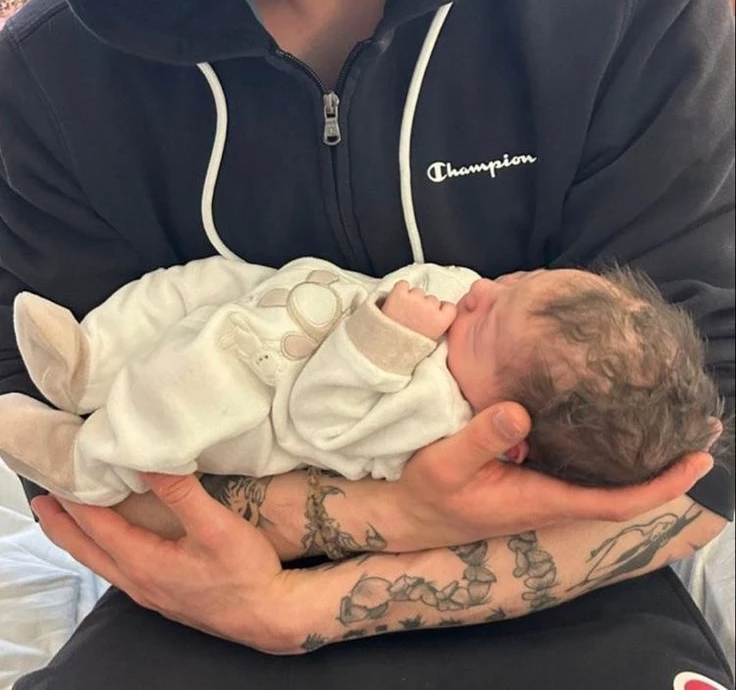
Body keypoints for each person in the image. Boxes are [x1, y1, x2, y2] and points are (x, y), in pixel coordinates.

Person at [0, 0, 732, 687]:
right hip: (199, 606)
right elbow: (60, 440)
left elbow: (709, 443)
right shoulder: (53, 76)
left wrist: (315, 605)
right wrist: (390, 514)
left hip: (575, 603)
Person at [0, 258, 722, 506]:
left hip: (259, 402)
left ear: (506, 432)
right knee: (192, 285)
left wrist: (384, 339)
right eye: (516, 281)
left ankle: (90, 464)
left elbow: (319, 421)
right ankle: (91, 362)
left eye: (488, 320)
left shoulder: (436, 416)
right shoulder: (488, 334)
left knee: (180, 391)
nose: (479, 291)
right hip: (284, 302)